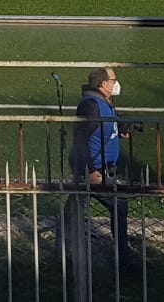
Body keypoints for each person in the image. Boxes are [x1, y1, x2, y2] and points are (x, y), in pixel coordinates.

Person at [71, 68, 131, 260]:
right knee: (118, 204)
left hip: (102, 168)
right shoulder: (91, 105)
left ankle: (64, 251)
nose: (117, 83)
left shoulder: (105, 102)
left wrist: (121, 127)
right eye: (114, 79)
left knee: (75, 206)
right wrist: (90, 169)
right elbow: (81, 138)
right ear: (104, 84)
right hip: (95, 169)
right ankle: (123, 257)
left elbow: (106, 126)